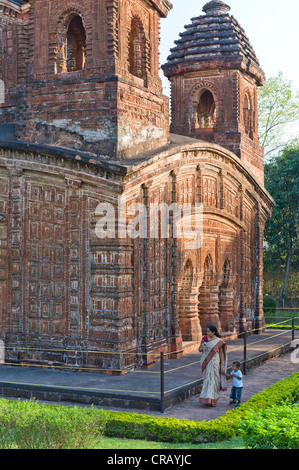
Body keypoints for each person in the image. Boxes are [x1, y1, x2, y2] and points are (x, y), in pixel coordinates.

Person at [198, 325, 227, 407]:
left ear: (213, 332)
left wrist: (222, 365)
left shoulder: (219, 341)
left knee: (213, 380)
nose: (207, 333)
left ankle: (213, 399)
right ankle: (206, 398)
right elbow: (199, 350)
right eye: (206, 331)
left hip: (214, 362)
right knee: (207, 379)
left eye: (208, 332)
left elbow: (221, 354)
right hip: (205, 362)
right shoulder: (204, 339)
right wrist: (202, 348)